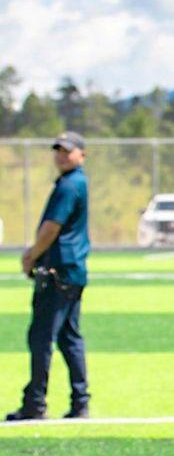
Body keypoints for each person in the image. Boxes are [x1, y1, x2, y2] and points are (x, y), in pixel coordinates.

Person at [6, 131, 91, 422]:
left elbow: (51, 228)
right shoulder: (76, 182)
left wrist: (31, 254)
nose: (61, 155)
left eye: (67, 150)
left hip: (58, 271)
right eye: (57, 150)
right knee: (69, 338)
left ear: (81, 154)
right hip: (72, 271)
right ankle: (80, 402)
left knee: (42, 336)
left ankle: (35, 403)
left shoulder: (69, 185)